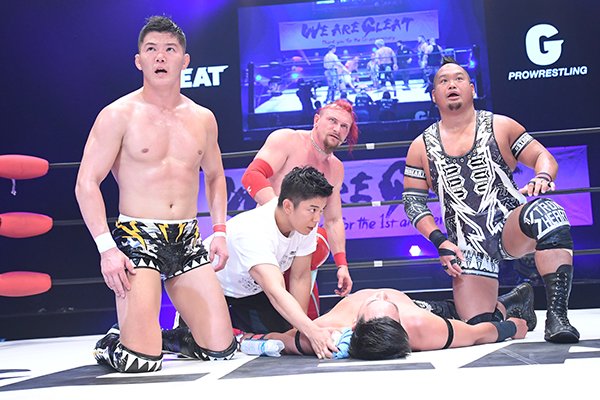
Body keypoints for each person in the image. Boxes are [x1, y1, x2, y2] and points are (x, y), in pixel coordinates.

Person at [74, 16, 236, 373]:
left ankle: (169, 337)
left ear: (185, 60)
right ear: (139, 60)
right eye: (151, 49)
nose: (160, 57)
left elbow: (214, 177)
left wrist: (220, 231)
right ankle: (113, 343)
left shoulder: (203, 118)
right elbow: (86, 182)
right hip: (137, 237)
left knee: (221, 351)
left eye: (169, 49)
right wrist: (107, 249)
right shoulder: (117, 115)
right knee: (141, 363)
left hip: (187, 236)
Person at [402, 58, 580, 344]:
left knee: (548, 212)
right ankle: (514, 301)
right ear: (434, 95)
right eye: (443, 81)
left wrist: (543, 176)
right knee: (479, 325)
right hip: (468, 244)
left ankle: (558, 316)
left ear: (472, 88)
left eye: (458, 78)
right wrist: (440, 241)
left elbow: (542, 156)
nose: (451, 84)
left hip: (511, 227)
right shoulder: (420, 146)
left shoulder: (500, 125)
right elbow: (413, 202)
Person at [167, 167, 340, 359]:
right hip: (211, 288)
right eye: (313, 210)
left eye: (321, 211)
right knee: (214, 350)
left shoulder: (305, 225)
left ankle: (235, 337)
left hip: (251, 290)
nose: (317, 219)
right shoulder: (255, 231)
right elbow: (275, 290)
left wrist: (299, 329)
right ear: (288, 206)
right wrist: (313, 331)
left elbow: (300, 277)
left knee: (284, 342)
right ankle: (171, 336)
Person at [241, 99, 358, 306]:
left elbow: (333, 220)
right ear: (316, 120)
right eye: (332, 121)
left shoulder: (335, 168)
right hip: (269, 235)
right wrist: (283, 213)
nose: (337, 129)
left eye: (344, 126)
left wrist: (342, 265)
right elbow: (252, 175)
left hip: (300, 248)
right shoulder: (288, 140)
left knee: (317, 241)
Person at [237, 285, 532, 360]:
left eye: (381, 302)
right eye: (381, 301)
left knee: (471, 315)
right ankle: (510, 301)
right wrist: (513, 327)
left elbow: (278, 340)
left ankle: (508, 301)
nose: (380, 293)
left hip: (424, 307)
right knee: (481, 317)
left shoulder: (327, 330)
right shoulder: (423, 330)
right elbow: (480, 333)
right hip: (426, 311)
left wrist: (243, 340)